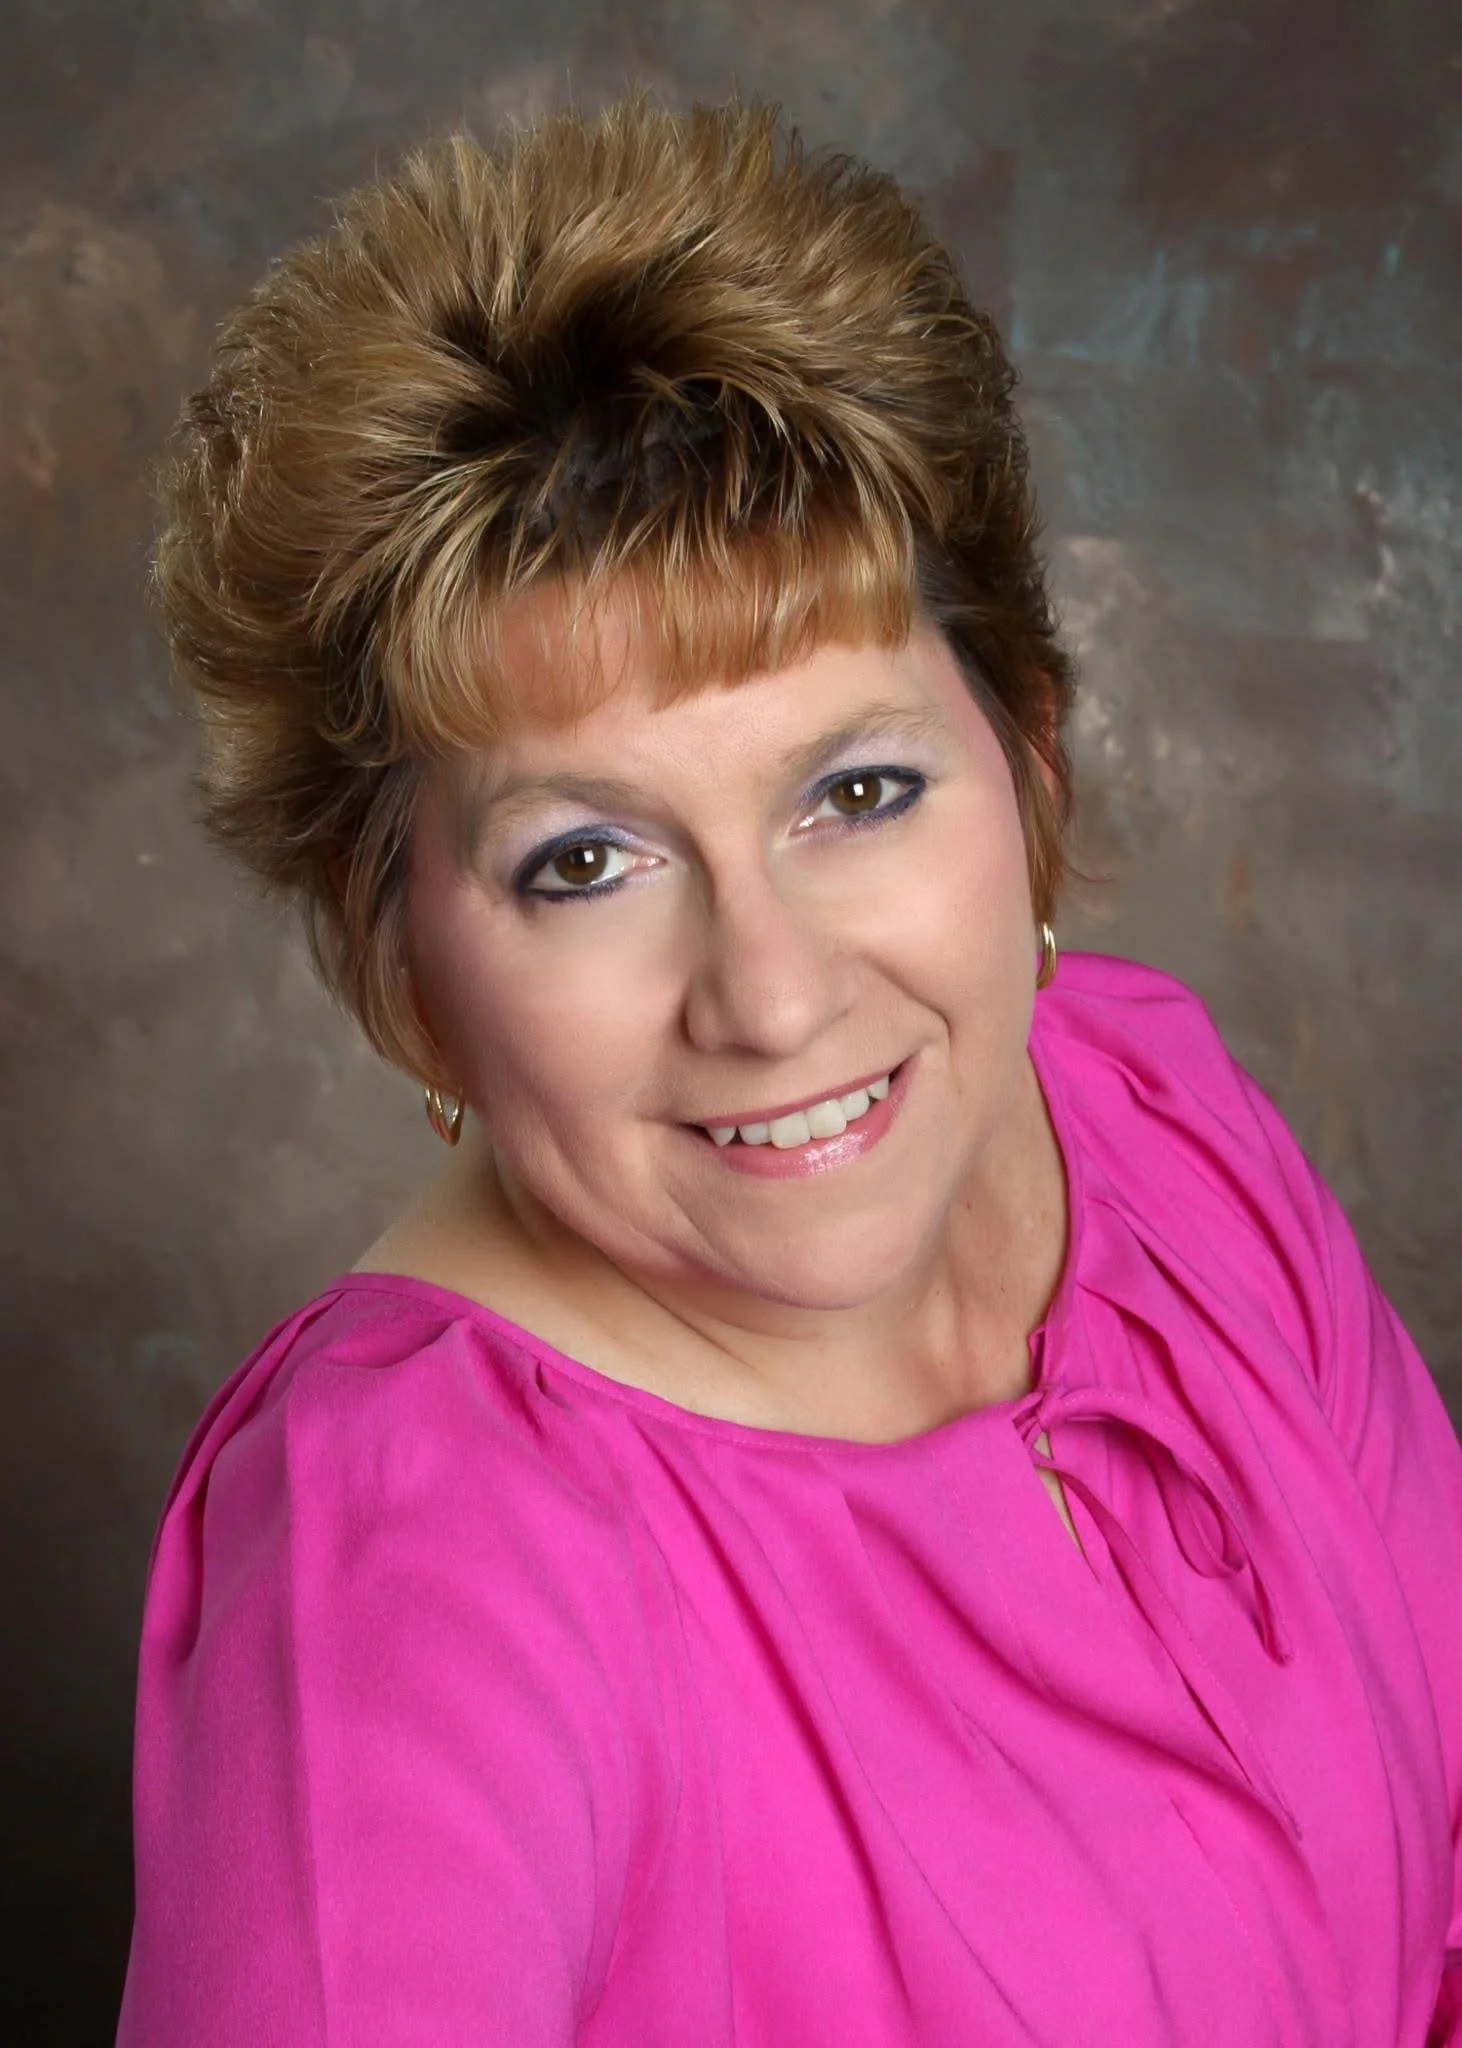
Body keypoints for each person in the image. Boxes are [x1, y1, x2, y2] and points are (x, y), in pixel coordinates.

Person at [116, 96, 1462, 2046]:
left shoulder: (1150, 1104)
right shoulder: (397, 1607)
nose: (766, 994)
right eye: (584, 858)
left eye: (854, 788)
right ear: (403, 966)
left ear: (1031, 760)